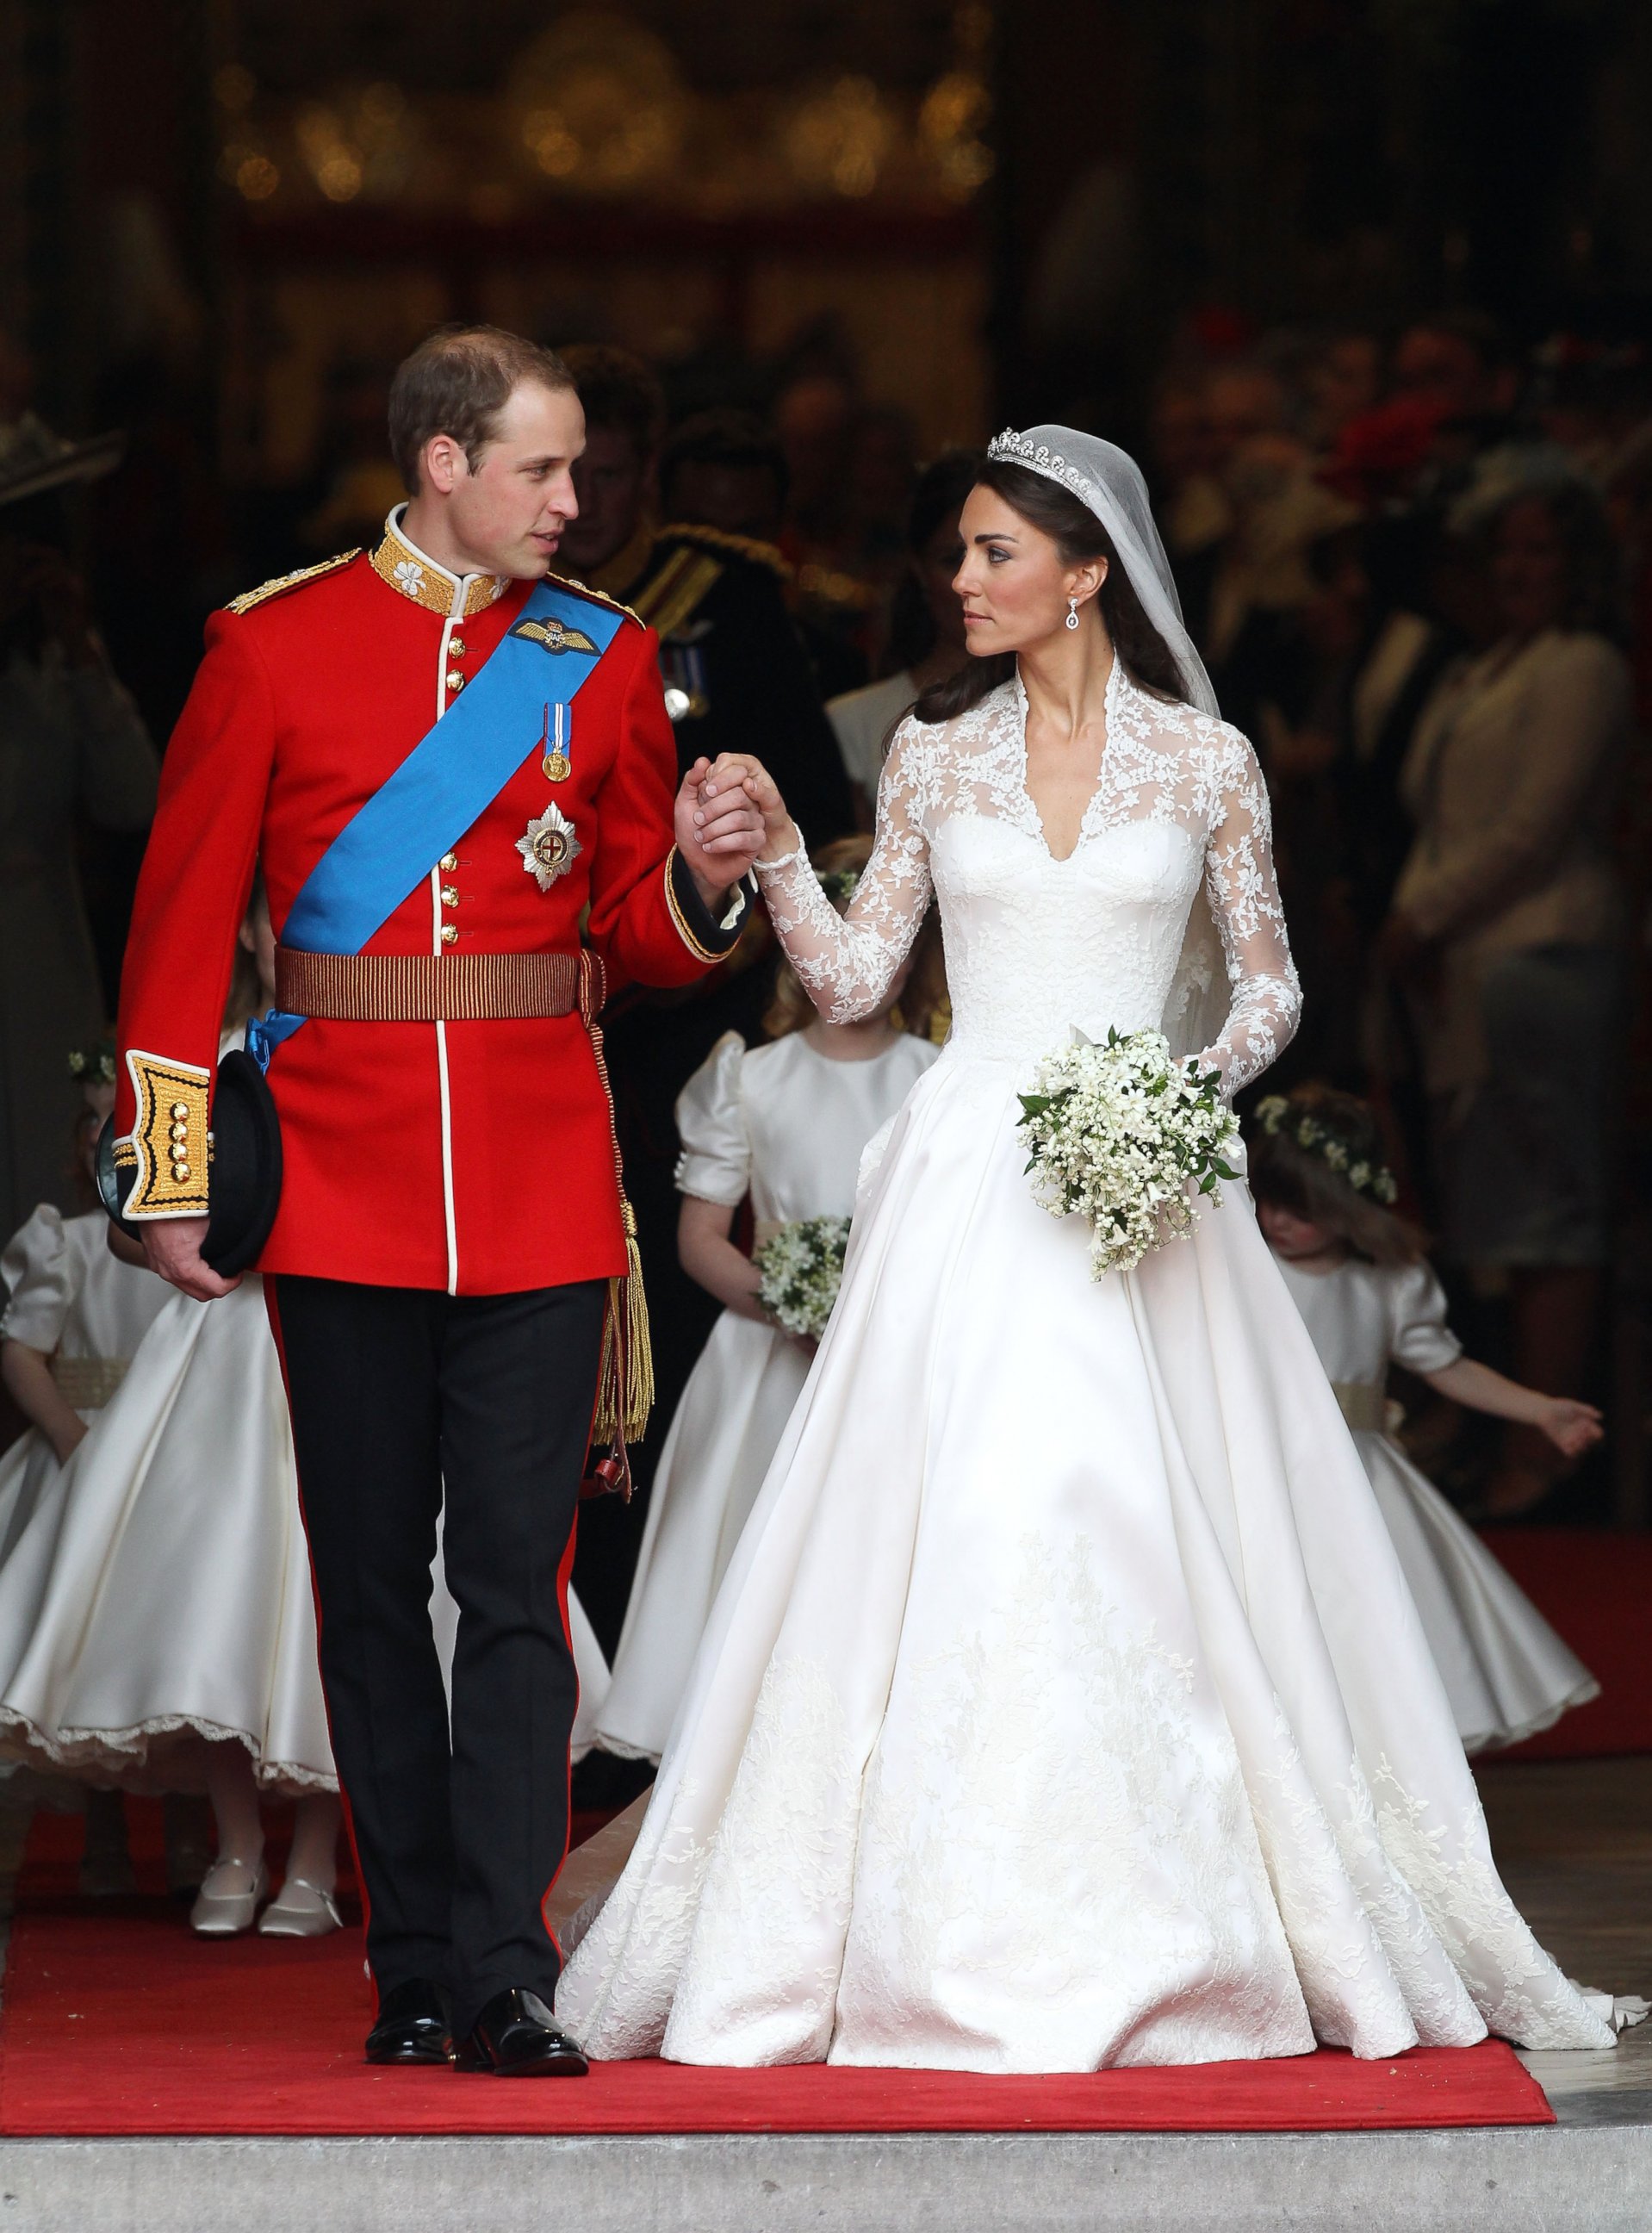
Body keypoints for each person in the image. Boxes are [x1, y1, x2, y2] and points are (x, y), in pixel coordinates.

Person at [556, 426, 1618, 2071]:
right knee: (977, 1513)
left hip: (1141, 1180)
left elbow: (1266, 985)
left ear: (1086, 570)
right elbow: (852, 986)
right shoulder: (929, 754)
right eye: (958, 552)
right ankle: (937, 1921)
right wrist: (774, 860)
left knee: (1150, 1524)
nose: (958, 579)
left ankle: (1182, 1912)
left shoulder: (1204, 762)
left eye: (991, 553)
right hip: (970, 1177)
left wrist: (1172, 1098)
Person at [110, 325, 764, 2074]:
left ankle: (506, 1964)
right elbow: (179, 933)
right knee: (368, 1593)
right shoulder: (268, 649)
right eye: (543, 470)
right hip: (336, 1180)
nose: (577, 500)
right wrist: (172, 1177)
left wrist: (703, 888)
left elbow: (631, 929)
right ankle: (407, 1963)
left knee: (514, 1587)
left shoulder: (604, 658)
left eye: (580, 470)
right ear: (442, 465)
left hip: (544, 1182)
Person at [591, 837, 941, 1767]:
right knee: (751, 1547)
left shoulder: (939, 1078)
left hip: (899, 1359)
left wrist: (874, 1303)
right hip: (766, 1358)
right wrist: (788, 1299)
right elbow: (699, 1238)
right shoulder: (749, 1073)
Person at [1386, 476, 1632, 1515]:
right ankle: (1513, 1436)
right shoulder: (1482, 666)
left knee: (1547, 1208)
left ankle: (1551, 1454)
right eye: (1507, 555)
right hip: (1472, 962)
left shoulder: (1583, 666)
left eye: (1542, 553)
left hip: (1544, 955)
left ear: (1579, 566)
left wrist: (1421, 918)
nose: (1521, 572)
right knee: (1495, 1205)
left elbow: (1531, 826)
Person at [1251, 1085, 1601, 1755]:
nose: (1277, 1221)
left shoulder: (1389, 1281)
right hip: (1262, 1460)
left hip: (1358, 1477)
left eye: (1302, 1208)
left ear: (1347, 1205)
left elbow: (1448, 1366)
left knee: (1365, 1617)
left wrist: (1540, 1409)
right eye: (1268, 1201)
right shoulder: (1249, 1269)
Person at [0, 487, 158, 1236]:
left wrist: (81, 652)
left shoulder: (53, 669)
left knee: (44, 1135)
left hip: (41, 943)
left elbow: (134, 797)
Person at [826, 451, 981, 824]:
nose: (973, 581)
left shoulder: (1069, 711)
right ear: (919, 570)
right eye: (953, 558)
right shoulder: (856, 720)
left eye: (999, 555)